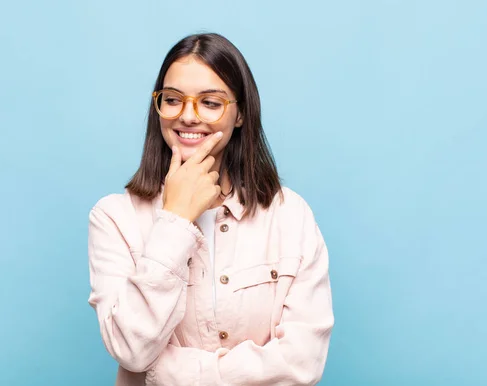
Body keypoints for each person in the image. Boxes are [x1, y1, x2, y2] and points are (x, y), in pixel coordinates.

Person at [87, 32, 334, 386]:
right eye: (172, 100)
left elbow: (301, 363)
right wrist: (175, 220)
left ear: (240, 115)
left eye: (210, 103)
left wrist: (162, 373)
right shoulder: (114, 218)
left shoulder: (290, 215)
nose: (188, 116)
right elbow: (132, 351)